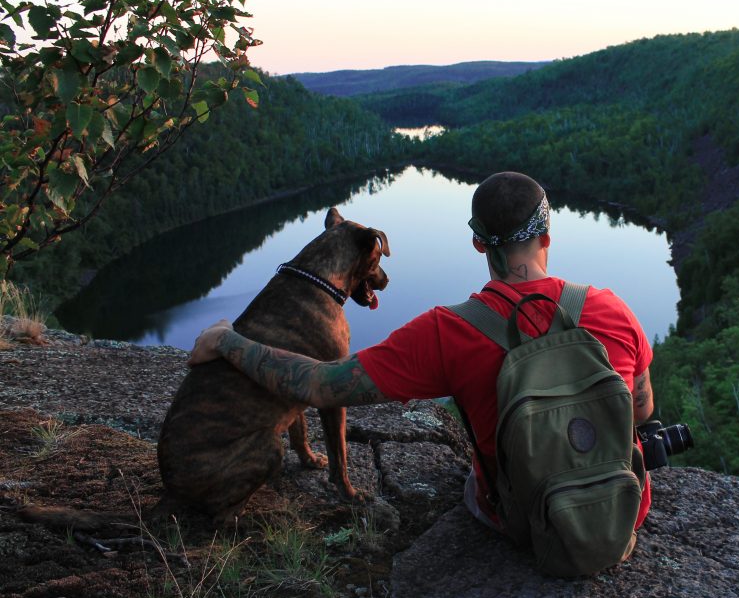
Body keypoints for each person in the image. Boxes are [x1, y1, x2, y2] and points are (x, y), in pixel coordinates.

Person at [189, 171, 655, 532]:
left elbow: (323, 386)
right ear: (547, 236)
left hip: (524, 522)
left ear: (478, 243)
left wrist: (227, 341)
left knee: (473, 483)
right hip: (625, 510)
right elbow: (640, 409)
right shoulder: (611, 308)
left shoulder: (448, 331)